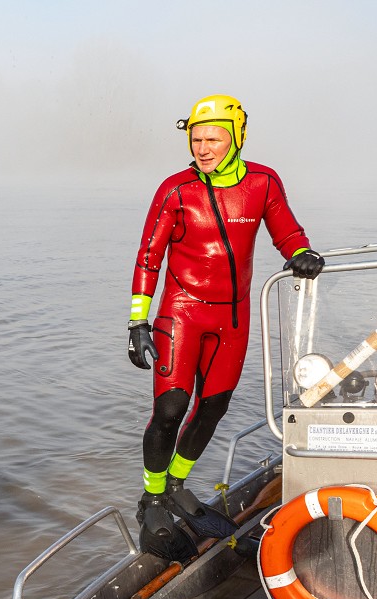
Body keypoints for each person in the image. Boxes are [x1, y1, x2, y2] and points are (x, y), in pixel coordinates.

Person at [129, 94, 323, 554]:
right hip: (181, 311)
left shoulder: (263, 182)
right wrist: (138, 321)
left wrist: (301, 254)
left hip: (232, 317)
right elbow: (149, 256)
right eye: (196, 139)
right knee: (171, 409)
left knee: (213, 408)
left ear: (236, 137)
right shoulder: (176, 190)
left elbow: (286, 231)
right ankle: (151, 496)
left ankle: (176, 485)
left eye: (213, 138)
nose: (203, 147)